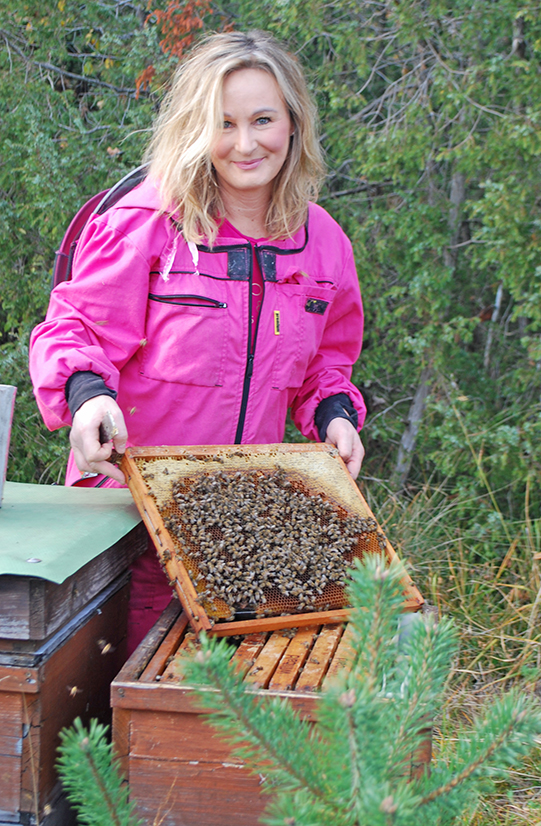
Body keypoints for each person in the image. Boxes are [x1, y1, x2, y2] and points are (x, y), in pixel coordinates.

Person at [29, 30, 366, 651]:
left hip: (236, 517)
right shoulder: (146, 221)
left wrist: (336, 415)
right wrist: (86, 397)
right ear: (195, 126)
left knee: (204, 708)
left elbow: (325, 363)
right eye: (224, 123)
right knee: (109, 698)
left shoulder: (324, 243)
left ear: (292, 123)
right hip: (123, 516)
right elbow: (73, 330)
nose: (246, 143)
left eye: (263, 119)